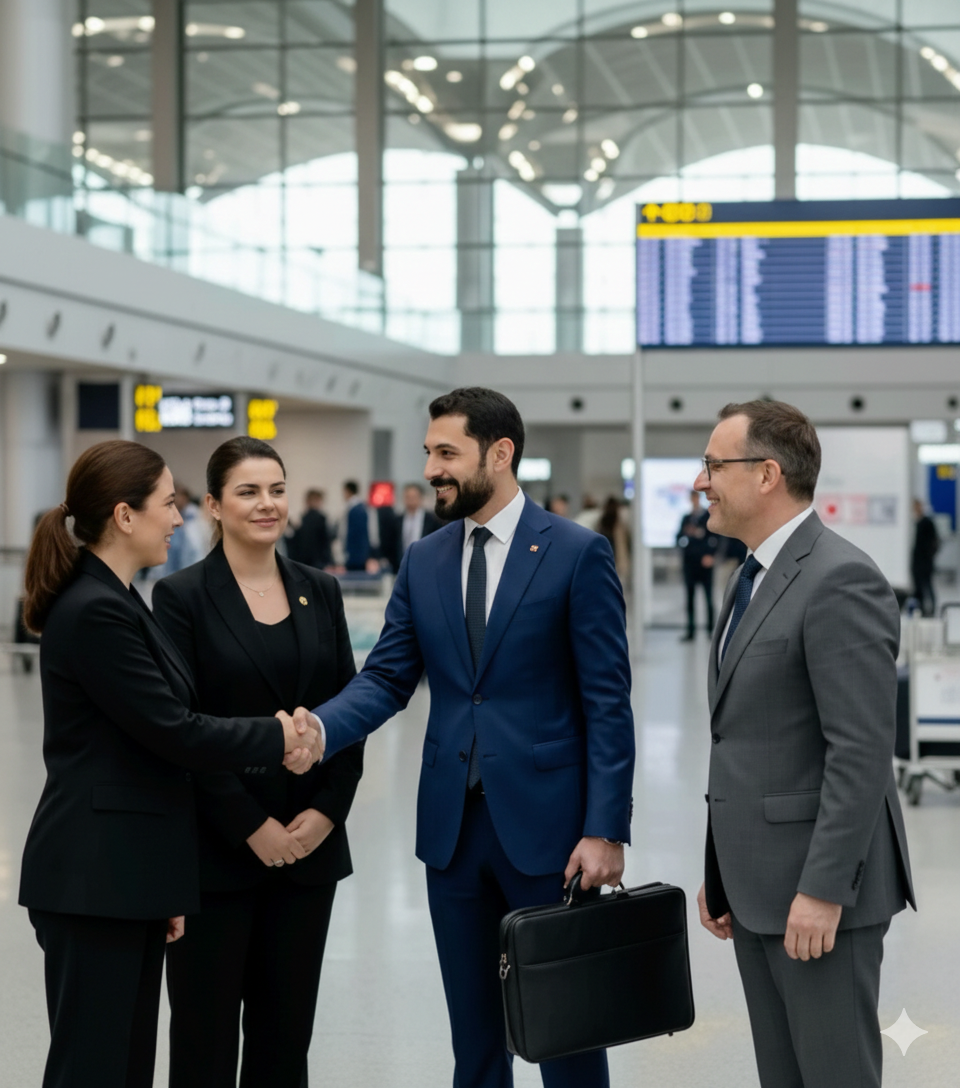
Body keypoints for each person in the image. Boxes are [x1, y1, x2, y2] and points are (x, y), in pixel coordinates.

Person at [302, 387, 635, 1088]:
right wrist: (319, 728)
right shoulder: (424, 560)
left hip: (551, 835)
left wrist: (606, 829)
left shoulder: (576, 553)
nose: (432, 468)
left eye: (446, 453)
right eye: (429, 453)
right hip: (453, 834)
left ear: (500, 453)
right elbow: (389, 676)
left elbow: (607, 701)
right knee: (475, 1043)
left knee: (567, 1036)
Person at [16, 439, 322, 1088]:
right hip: (92, 877)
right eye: (168, 504)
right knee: (93, 1067)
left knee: (124, 1065)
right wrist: (276, 736)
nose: (179, 519)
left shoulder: (119, 599)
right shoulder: (96, 610)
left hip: (125, 876)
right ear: (125, 516)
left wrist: (160, 888)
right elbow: (172, 730)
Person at [694, 401, 915, 1088]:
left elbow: (860, 751)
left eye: (713, 465)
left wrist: (823, 890)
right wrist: (720, 869)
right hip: (757, 887)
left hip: (817, 897)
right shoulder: (751, 577)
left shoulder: (839, 579)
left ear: (767, 474)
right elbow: (747, 733)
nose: (702, 482)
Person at [153, 437, 364, 1088]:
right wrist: (251, 825)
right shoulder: (181, 597)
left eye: (276, 488)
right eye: (248, 491)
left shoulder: (318, 591)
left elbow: (350, 711)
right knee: (205, 1037)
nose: (266, 503)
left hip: (309, 853)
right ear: (214, 506)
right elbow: (181, 731)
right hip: (217, 853)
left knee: (284, 1037)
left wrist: (326, 813)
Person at [676, 490, 719, 641]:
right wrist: (688, 535)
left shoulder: (707, 517)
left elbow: (715, 538)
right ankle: (690, 631)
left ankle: (710, 630)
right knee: (690, 598)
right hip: (690, 564)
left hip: (705, 564)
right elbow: (678, 538)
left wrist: (711, 555)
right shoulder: (686, 518)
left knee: (708, 598)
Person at [291, 488, 333, 569]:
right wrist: (329, 560)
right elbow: (325, 542)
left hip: (303, 561)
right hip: (318, 562)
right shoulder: (321, 518)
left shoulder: (303, 518)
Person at [910, 498, 939, 617]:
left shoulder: (927, 522)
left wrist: (929, 555)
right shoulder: (917, 523)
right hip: (917, 561)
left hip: (925, 562)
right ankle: (921, 609)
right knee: (919, 587)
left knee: (927, 586)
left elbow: (935, 542)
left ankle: (932, 609)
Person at [399, 481, 441, 561]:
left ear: (421, 498)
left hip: (426, 561)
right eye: (408, 497)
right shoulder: (397, 520)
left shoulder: (432, 520)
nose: (411, 500)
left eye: (414, 497)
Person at [596, 495, 631, 588]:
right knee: (619, 580)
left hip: (606, 553)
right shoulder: (619, 522)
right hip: (616, 553)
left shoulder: (602, 521)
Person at [340, 480, 370, 571]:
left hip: (356, 555)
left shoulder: (356, 509)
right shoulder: (359, 508)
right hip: (357, 553)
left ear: (347, 491)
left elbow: (356, 534)